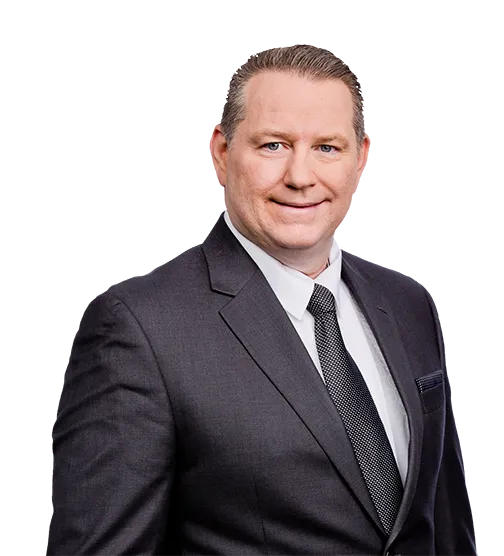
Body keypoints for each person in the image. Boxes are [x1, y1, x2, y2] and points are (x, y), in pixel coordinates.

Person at [48, 44, 477, 556]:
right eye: (273, 145)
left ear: (360, 158)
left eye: (327, 148)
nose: (300, 176)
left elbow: (447, 527)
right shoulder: (139, 329)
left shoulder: (407, 304)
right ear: (221, 151)